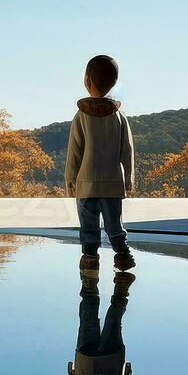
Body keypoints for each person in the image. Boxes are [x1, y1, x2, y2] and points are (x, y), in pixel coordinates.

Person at [65, 55, 137, 277]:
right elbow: (128, 151)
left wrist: (70, 179)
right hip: (113, 184)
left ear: (87, 81)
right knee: (114, 225)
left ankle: (90, 261)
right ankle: (123, 255)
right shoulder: (119, 116)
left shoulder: (81, 116)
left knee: (89, 227)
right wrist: (129, 180)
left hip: (86, 184)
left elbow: (74, 151)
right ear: (113, 83)